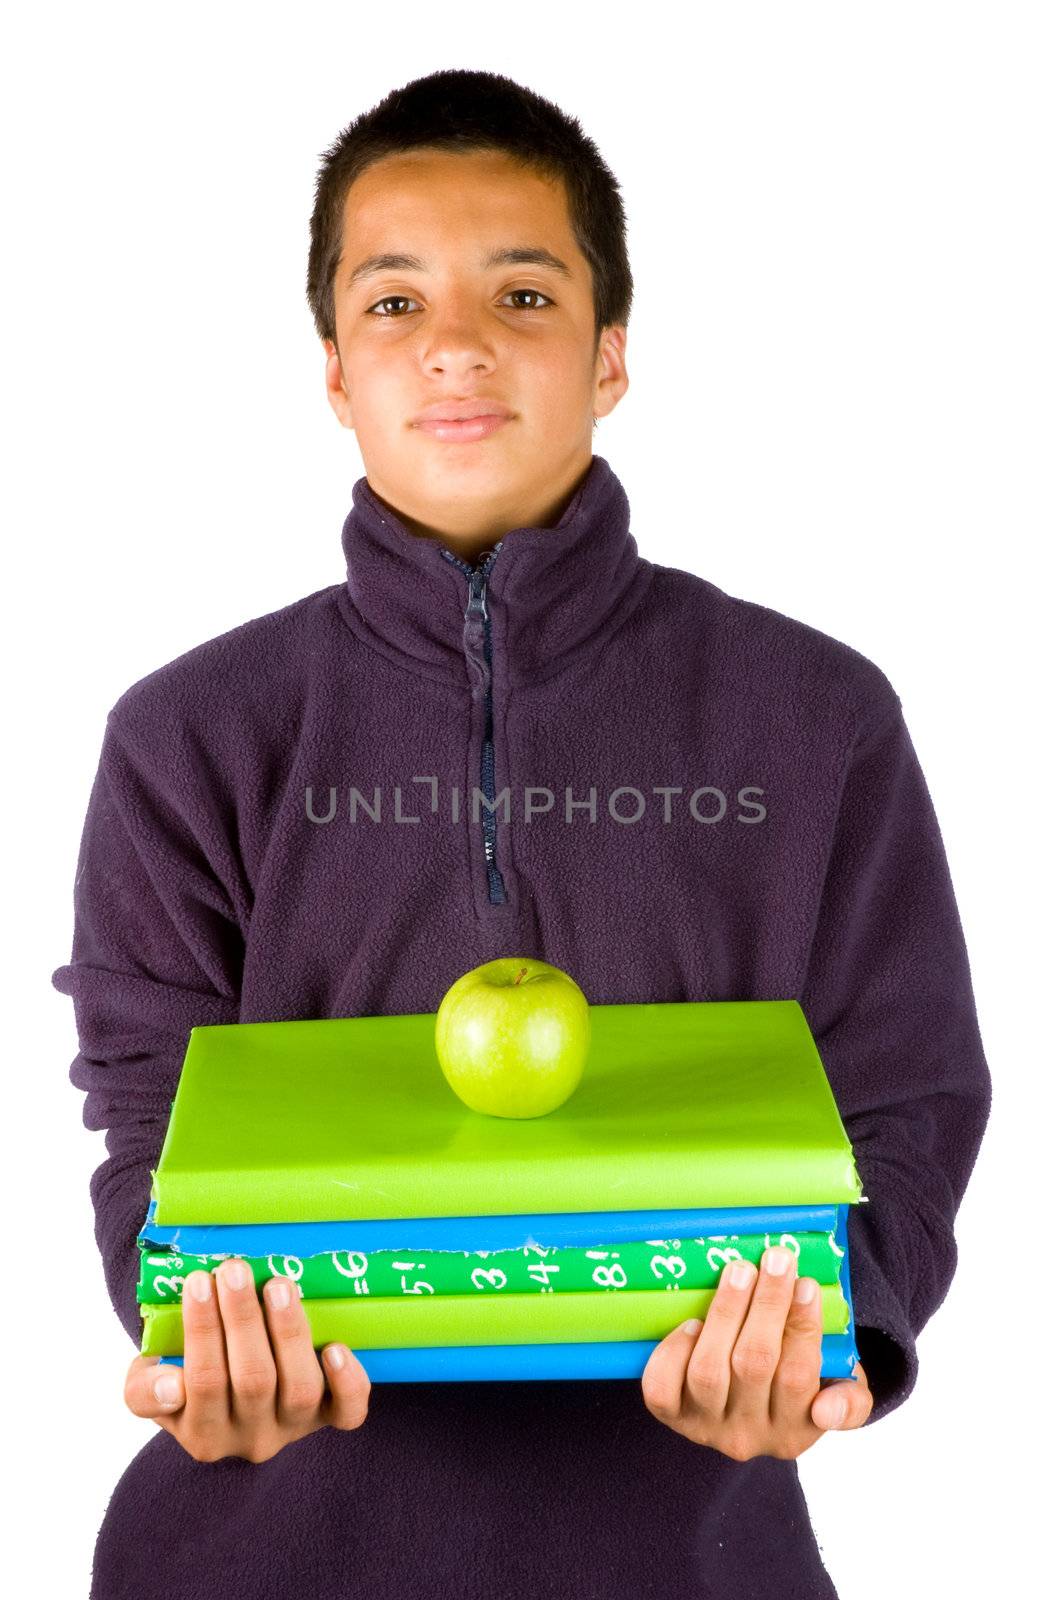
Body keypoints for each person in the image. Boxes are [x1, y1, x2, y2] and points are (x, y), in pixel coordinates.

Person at [51, 67, 991, 1600]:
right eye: (395, 303)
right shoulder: (188, 736)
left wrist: (841, 1326)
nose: (461, 346)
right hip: (249, 1560)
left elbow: (907, 1095)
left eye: (527, 293)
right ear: (335, 373)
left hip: (693, 1562)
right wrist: (191, 1327)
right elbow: (149, 1121)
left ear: (613, 356)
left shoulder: (816, 717)